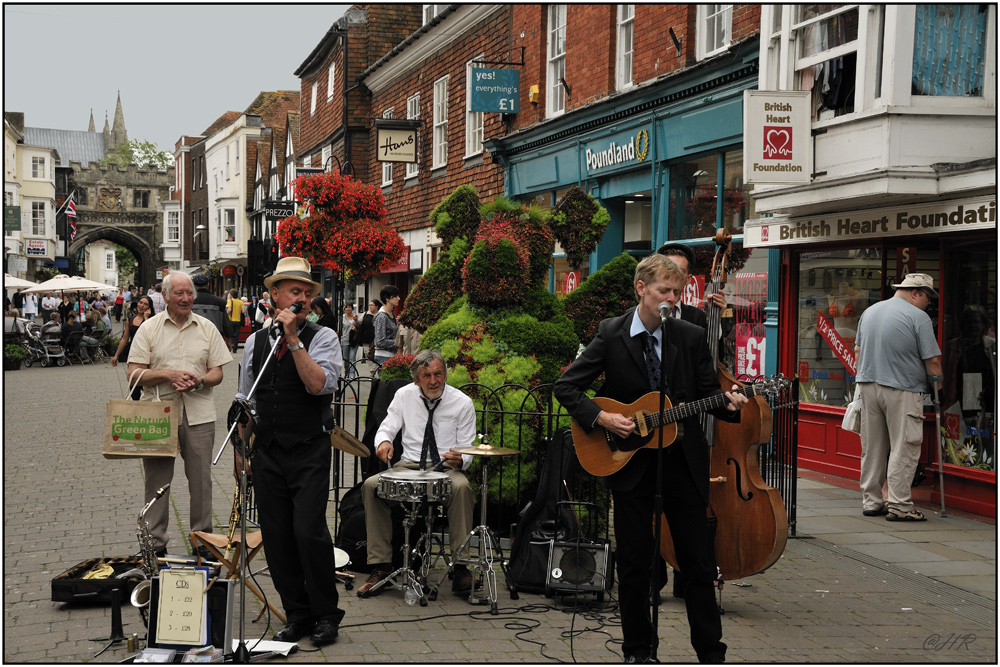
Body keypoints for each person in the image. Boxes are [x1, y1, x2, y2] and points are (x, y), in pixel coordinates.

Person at [553, 253, 748, 664]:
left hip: (683, 467)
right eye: (664, 290)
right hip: (629, 465)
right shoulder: (610, 334)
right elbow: (566, 387)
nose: (672, 299)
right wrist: (602, 416)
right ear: (641, 289)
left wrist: (730, 405)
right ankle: (639, 651)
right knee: (635, 565)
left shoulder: (690, 336)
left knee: (697, 563)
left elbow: (705, 396)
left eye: (677, 292)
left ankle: (711, 652)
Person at [234, 256, 344, 645]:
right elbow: (246, 400)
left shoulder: (323, 338)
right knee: (277, 536)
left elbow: (320, 385)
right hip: (268, 451)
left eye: (306, 292)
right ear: (275, 295)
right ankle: (297, 614)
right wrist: (240, 453)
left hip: (309, 449)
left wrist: (294, 339)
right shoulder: (255, 342)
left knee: (308, 532)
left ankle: (326, 615)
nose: (301, 297)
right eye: (294, 291)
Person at [127, 273, 231, 558]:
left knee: (201, 482)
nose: (186, 298)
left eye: (189, 293)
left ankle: (203, 541)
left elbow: (218, 372)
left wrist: (199, 381)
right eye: (179, 294)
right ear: (166, 295)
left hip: (199, 414)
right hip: (159, 415)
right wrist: (166, 374)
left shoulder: (207, 327)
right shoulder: (149, 328)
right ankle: (155, 545)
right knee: (157, 483)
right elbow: (133, 372)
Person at [357, 349, 476, 597]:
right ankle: (381, 565)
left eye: (438, 374)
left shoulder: (462, 402)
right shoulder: (404, 395)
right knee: (370, 485)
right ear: (416, 379)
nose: (433, 381)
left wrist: (461, 458)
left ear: (445, 374)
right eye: (427, 376)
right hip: (409, 466)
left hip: (445, 468)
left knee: (463, 487)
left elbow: (468, 448)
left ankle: (461, 567)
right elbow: (386, 428)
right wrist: (383, 443)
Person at [855, 273, 943, 522]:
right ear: (916, 292)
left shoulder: (870, 312)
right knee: (904, 446)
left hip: (868, 386)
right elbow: (933, 361)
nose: (929, 303)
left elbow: (858, 351)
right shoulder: (919, 317)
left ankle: (871, 502)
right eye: (928, 297)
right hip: (902, 389)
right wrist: (941, 391)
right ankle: (900, 505)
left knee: (872, 447)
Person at [191, 273, 230, 345]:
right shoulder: (219, 302)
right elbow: (225, 323)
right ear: (208, 284)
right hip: (214, 339)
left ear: (194, 286)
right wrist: (228, 339)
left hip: (193, 339)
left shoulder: (189, 301)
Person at [373, 286, 400, 364]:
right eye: (396, 296)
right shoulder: (382, 316)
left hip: (391, 356)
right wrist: (398, 342)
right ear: (387, 298)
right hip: (383, 357)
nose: (399, 298)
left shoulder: (392, 312)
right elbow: (380, 341)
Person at [341, 303, 359, 378]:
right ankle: (347, 372)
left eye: (349, 307)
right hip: (344, 340)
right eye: (346, 307)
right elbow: (339, 328)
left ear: (352, 308)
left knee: (352, 357)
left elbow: (359, 327)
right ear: (344, 309)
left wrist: (356, 321)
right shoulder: (342, 318)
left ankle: (352, 374)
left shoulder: (355, 317)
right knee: (346, 359)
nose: (348, 309)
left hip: (353, 340)